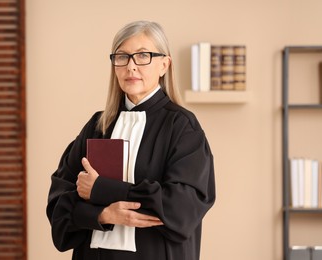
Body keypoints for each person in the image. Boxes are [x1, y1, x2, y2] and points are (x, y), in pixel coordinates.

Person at [46, 20, 216, 260]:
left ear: (164, 65)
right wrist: (103, 215)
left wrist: (101, 189)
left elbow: (181, 208)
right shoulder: (97, 126)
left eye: (143, 55)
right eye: (122, 57)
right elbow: (59, 205)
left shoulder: (182, 127)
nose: (131, 66)